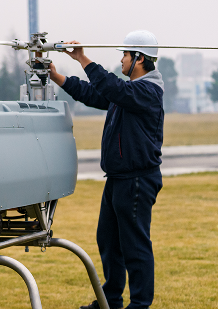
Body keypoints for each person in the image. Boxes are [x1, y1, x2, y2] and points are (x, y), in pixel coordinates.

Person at [49, 30, 165, 309]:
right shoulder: (128, 91)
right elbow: (95, 93)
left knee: (135, 245)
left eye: (125, 55)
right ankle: (110, 299)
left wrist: (82, 59)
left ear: (138, 58)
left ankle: (139, 304)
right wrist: (57, 77)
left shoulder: (146, 91)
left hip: (137, 179)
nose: (122, 60)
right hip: (117, 178)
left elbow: (112, 88)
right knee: (109, 240)